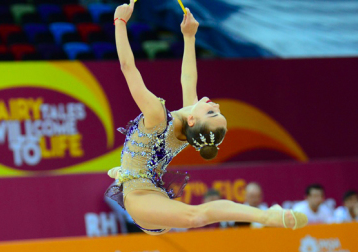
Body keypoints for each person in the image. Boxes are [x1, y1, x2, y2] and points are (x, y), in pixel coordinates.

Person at [104, 4, 307, 234]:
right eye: (218, 112)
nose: (216, 105)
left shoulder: (156, 116)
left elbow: (128, 67)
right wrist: (189, 37)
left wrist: (119, 23)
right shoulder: (186, 127)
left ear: (193, 120)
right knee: (193, 215)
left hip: (141, 198)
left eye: (212, 113)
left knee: (195, 216)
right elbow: (188, 78)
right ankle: (122, 172)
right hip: (152, 195)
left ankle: (266, 216)